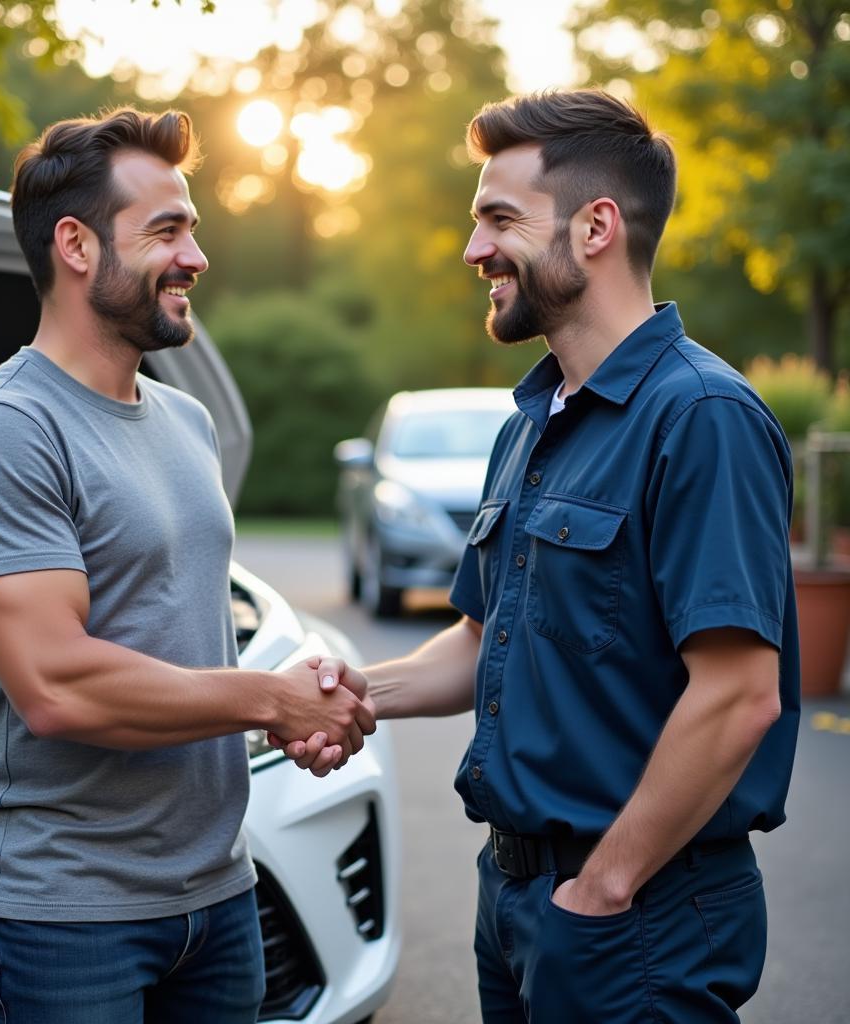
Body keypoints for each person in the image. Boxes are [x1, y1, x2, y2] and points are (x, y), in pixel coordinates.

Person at [282, 90, 799, 1022]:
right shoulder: (532, 423)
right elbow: (484, 640)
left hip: (638, 913)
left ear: (597, 227)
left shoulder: (702, 418)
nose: (475, 249)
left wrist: (602, 891)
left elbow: (737, 695)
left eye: (499, 218)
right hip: (519, 901)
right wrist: (348, 692)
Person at [0, 107, 374, 1024]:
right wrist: (273, 701)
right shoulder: (3, 430)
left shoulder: (189, 422)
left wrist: (305, 704)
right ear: (77, 245)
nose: (196, 257)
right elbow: (59, 686)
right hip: (58, 918)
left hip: (215, 897)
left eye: (193, 230)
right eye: (165, 231)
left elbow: (181, 631)